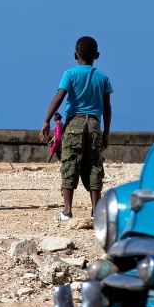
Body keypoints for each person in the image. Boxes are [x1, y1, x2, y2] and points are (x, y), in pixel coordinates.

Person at [39, 36, 113, 222]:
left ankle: (67, 210)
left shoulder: (70, 74)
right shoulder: (103, 77)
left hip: (74, 123)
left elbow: (59, 97)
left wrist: (46, 120)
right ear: (97, 55)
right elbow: (107, 107)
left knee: (70, 163)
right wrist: (106, 133)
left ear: (75, 55)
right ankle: (96, 210)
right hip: (94, 124)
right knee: (94, 165)